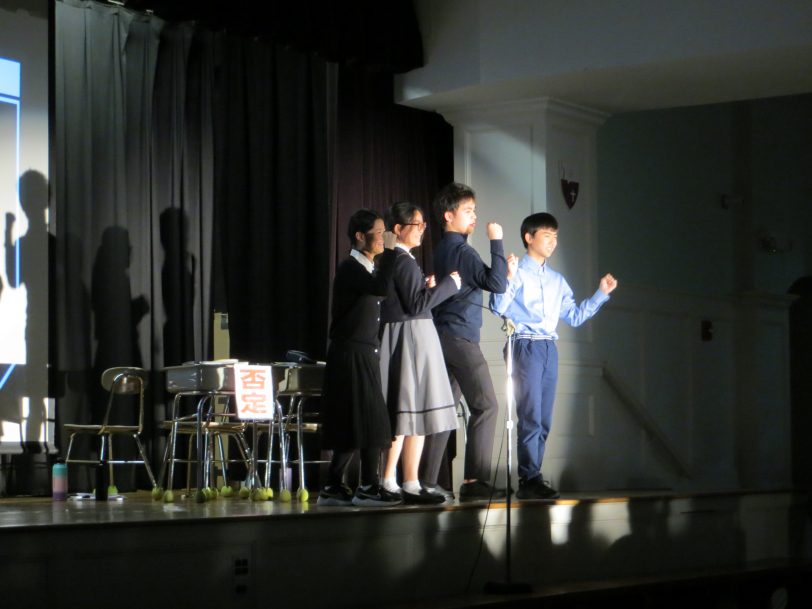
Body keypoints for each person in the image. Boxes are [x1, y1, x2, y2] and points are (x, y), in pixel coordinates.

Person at [490, 212, 617, 499]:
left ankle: (533, 476)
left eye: (555, 237)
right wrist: (507, 276)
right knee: (531, 415)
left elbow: (574, 316)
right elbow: (498, 307)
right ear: (529, 237)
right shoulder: (516, 271)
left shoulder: (557, 280)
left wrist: (600, 293)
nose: (553, 242)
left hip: (549, 347)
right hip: (525, 344)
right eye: (546, 236)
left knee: (544, 419)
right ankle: (529, 479)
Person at [426, 182, 513, 502]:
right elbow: (496, 283)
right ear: (448, 215)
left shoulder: (444, 248)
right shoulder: (462, 250)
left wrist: (503, 271)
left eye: (474, 210)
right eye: (467, 211)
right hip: (461, 337)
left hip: (444, 335)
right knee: (486, 405)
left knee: (444, 410)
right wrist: (496, 240)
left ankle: (426, 480)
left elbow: (490, 279)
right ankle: (475, 481)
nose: (474, 216)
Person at [317, 209, 403, 507]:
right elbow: (381, 288)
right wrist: (391, 251)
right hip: (351, 354)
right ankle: (368, 486)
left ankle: (333, 486)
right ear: (359, 236)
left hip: (363, 353)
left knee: (357, 422)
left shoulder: (366, 269)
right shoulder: (350, 268)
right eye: (378, 232)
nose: (382, 237)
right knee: (370, 421)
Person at [378, 202, 461, 505]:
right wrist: (450, 285)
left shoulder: (403, 260)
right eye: (417, 224)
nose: (423, 229)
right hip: (409, 337)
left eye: (424, 224)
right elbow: (415, 305)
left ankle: (410, 482)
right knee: (405, 412)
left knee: (417, 413)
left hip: (416, 336)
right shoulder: (400, 259)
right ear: (398, 229)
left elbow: (413, 299)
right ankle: (389, 480)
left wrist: (428, 288)